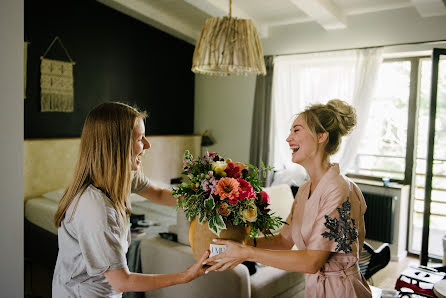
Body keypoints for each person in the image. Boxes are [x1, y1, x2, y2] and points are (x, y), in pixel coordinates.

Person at [205, 99, 372, 297]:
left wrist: (247, 254)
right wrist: (241, 244)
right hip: (315, 289)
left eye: (296, 130)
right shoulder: (304, 190)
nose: (288, 138)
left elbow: (312, 262)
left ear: (321, 136)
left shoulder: (338, 189)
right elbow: (284, 240)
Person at [52, 102, 209, 297]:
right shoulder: (94, 207)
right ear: (117, 145)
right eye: (140, 138)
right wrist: (185, 276)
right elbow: (121, 281)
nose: (148, 145)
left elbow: (159, 193)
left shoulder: (124, 177)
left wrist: (207, 196)